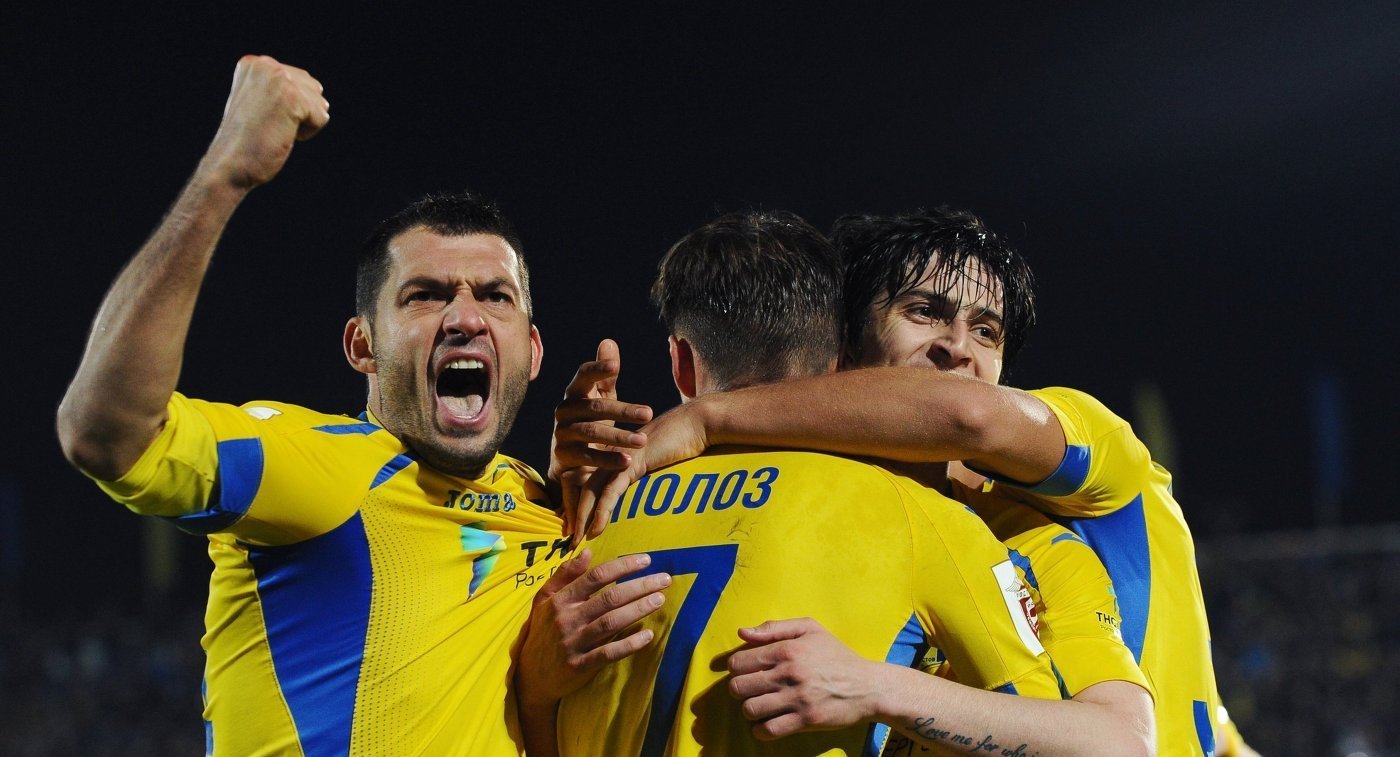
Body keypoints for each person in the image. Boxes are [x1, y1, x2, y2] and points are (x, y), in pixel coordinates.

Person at [55, 55, 664, 756]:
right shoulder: (315, 467)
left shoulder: (550, 504)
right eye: (425, 295)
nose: (465, 317)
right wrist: (225, 174)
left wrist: (593, 488)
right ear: (362, 345)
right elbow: (103, 431)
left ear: (531, 351)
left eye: (495, 296)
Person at [565, 207, 1250, 755]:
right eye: (924, 312)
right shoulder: (867, 522)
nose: (959, 345)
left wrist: (706, 416)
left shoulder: (1061, 505)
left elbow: (971, 417)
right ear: (846, 349)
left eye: (988, 330)